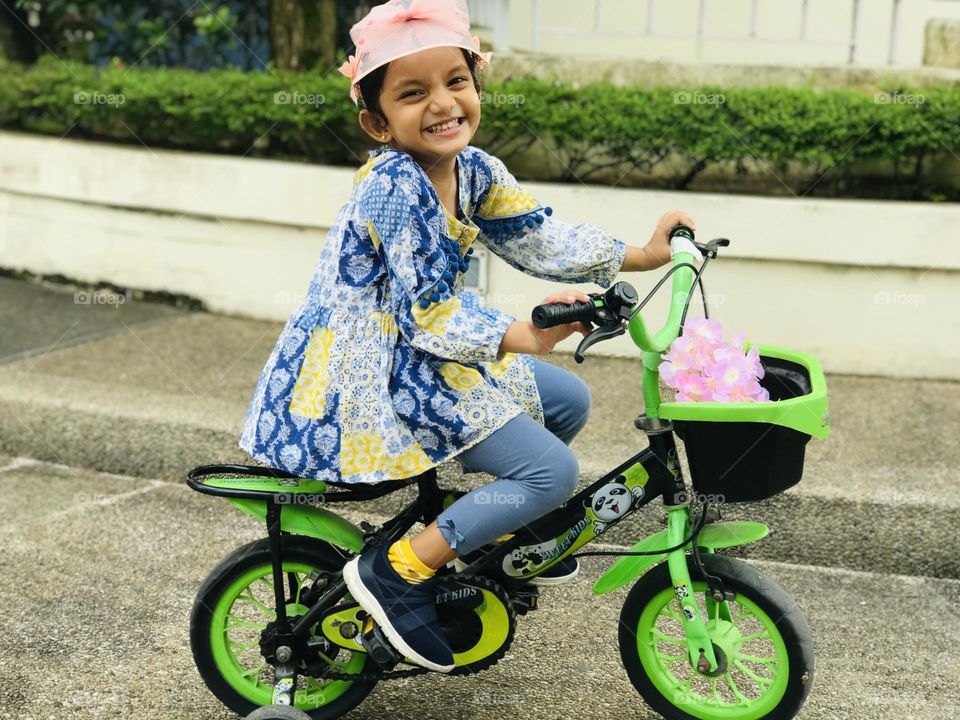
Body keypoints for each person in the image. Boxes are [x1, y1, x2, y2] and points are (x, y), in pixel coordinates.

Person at [239, 0, 696, 674]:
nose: (442, 103)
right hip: (380, 365)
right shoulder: (394, 187)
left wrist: (645, 254)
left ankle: (488, 536)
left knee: (566, 400)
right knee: (552, 472)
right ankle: (399, 571)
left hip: (426, 351)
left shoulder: (473, 169)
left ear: (477, 85)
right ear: (378, 122)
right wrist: (521, 333)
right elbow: (426, 314)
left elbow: (537, 235)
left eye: (456, 81)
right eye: (412, 93)